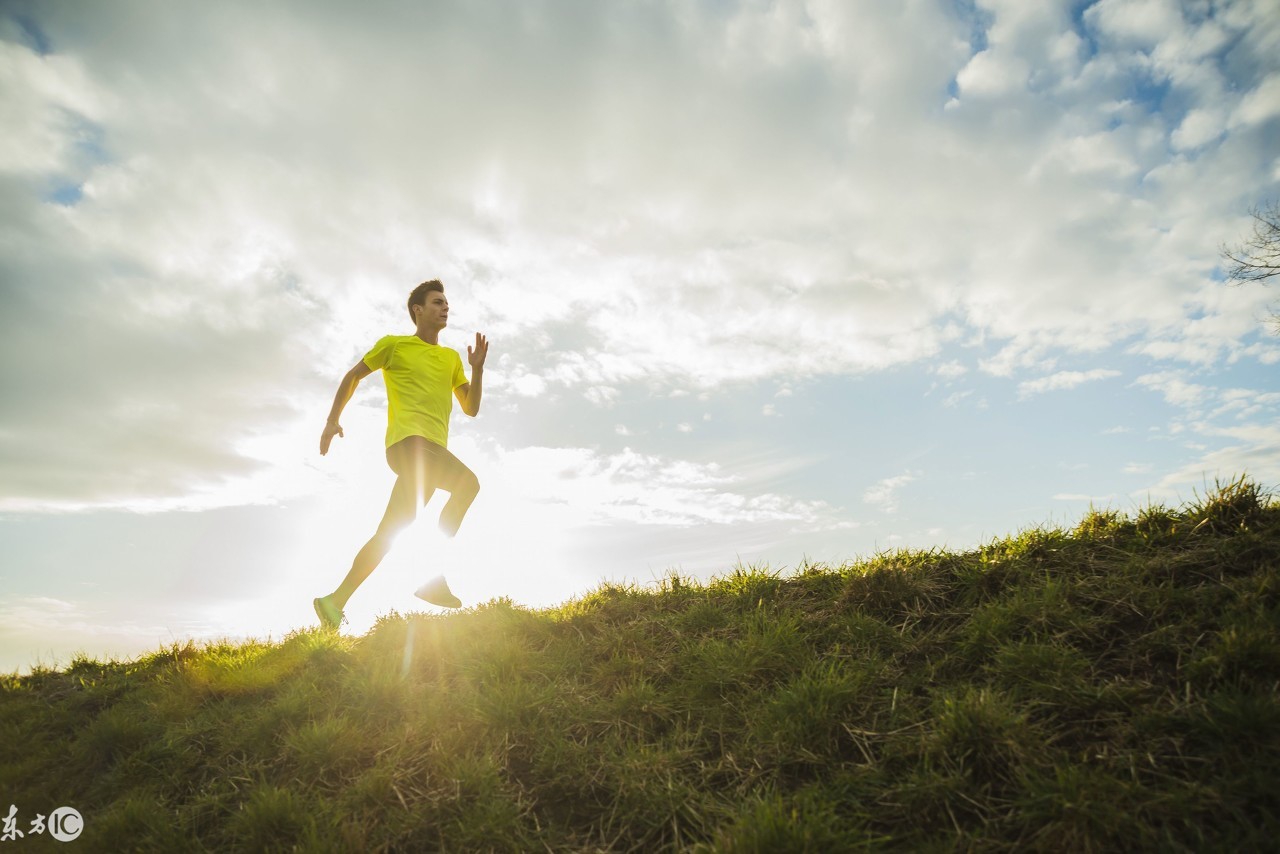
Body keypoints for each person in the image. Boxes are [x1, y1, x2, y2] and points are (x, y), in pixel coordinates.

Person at [313, 279, 489, 629]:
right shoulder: (394, 346)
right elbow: (353, 376)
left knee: (390, 533)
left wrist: (478, 368)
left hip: (432, 453)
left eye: (446, 303)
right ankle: (433, 578)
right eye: (437, 302)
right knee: (468, 484)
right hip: (408, 445)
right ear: (418, 310)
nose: (445, 307)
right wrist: (333, 420)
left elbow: (470, 407)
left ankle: (333, 602)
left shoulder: (450, 358)